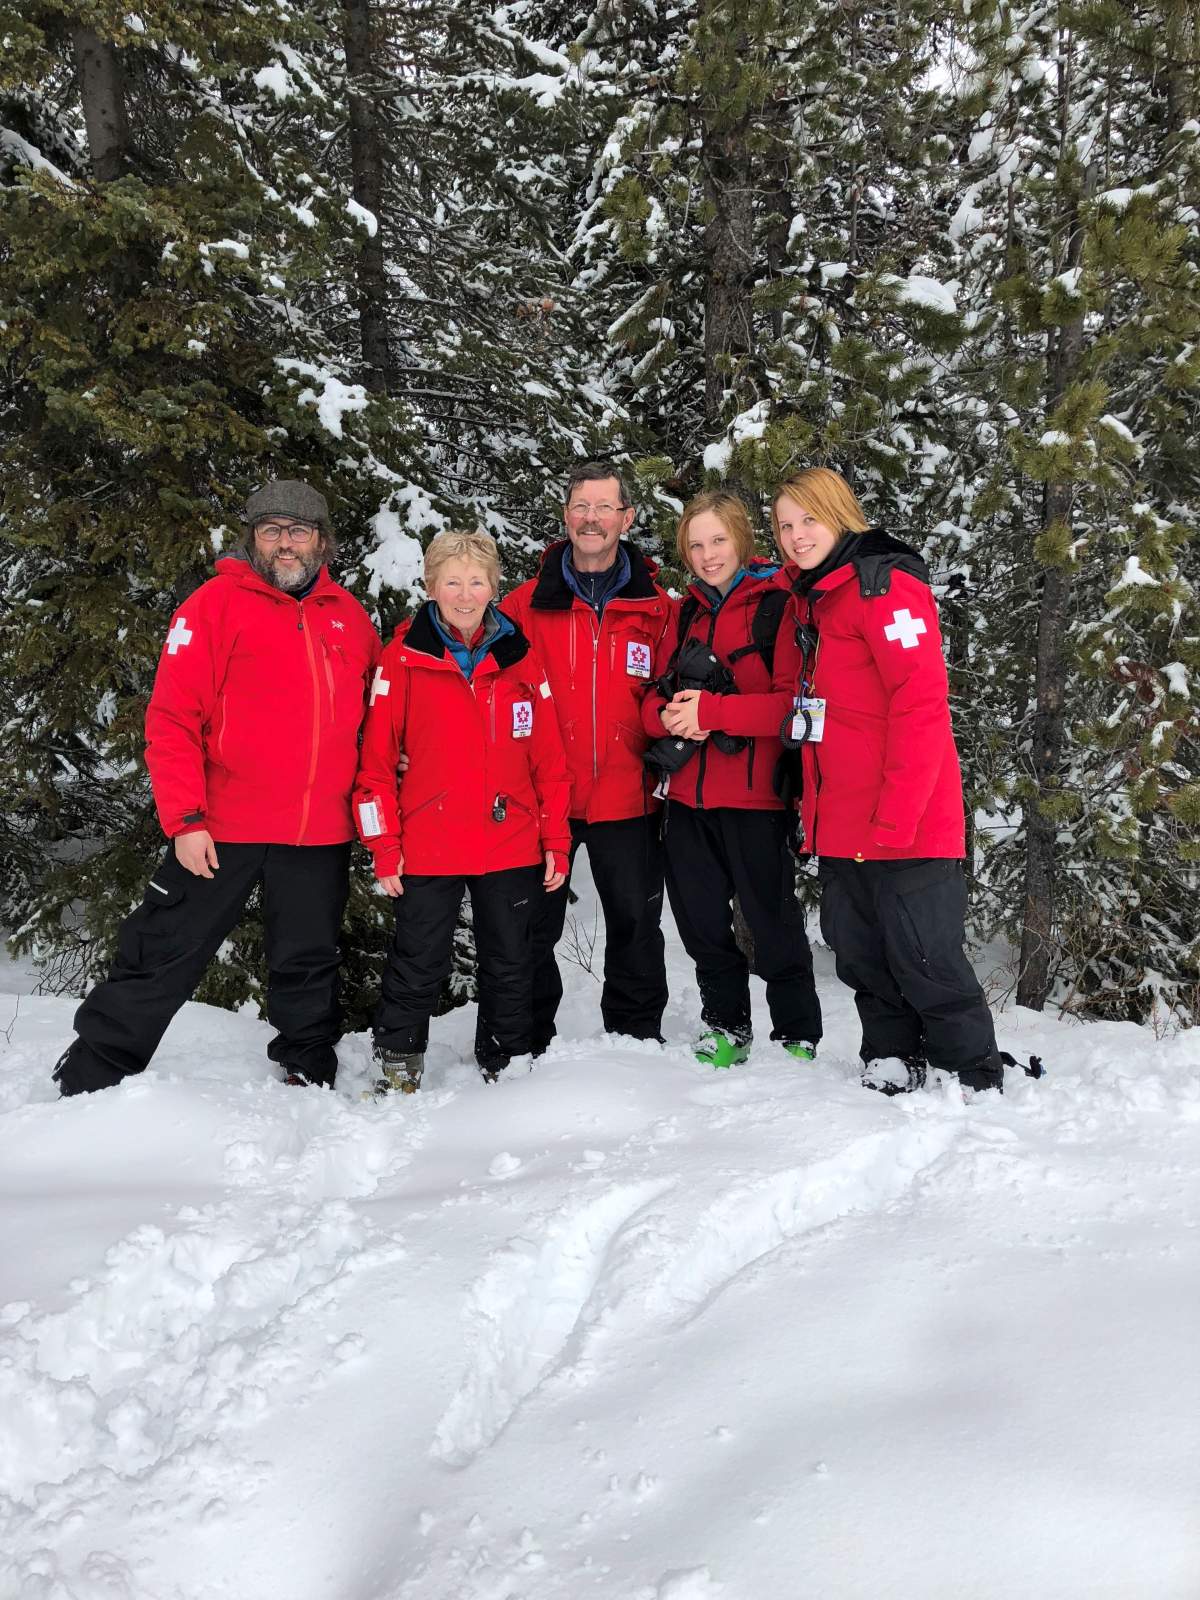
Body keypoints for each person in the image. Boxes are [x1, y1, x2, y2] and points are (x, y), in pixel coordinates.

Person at [52, 479, 383, 1096]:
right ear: (252, 539)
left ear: (322, 542)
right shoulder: (214, 605)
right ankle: (95, 1072)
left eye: (299, 532)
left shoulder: (350, 619)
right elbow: (172, 719)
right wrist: (185, 820)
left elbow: (373, 726)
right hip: (222, 824)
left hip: (317, 831)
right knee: (164, 948)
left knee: (308, 958)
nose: (286, 545)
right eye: (272, 531)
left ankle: (307, 1068)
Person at [772, 466, 1004, 1095]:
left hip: (906, 821)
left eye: (809, 520)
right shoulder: (814, 598)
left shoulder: (885, 586)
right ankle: (892, 1055)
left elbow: (920, 703)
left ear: (841, 513)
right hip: (841, 820)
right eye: (785, 525)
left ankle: (969, 1071)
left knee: (926, 956)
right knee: (861, 954)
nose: (796, 537)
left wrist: (898, 816)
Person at [353, 530, 571, 1091]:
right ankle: (399, 1061)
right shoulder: (402, 657)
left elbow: (549, 763)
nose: (466, 594)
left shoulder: (521, 659)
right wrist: (383, 846)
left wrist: (556, 840)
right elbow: (375, 768)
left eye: (477, 581)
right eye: (452, 581)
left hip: (510, 839)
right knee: (419, 959)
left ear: (495, 586)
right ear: (431, 586)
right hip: (430, 840)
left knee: (511, 960)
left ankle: (506, 1059)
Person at [640, 490, 823, 1069]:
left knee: (771, 919)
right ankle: (726, 1027)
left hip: (754, 797)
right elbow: (653, 692)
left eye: (717, 540)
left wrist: (711, 713)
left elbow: (791, 705)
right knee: (700, 923)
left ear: (741, 538)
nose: (707, 554)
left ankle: (797, 1032)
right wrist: (665, 717)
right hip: (687, 800)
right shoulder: (684, 611)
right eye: (695, 544)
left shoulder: (777, 603)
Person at [501, 461, 673, 1054]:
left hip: (629, 795)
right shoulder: (524, 606)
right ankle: (525, 1042)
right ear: (566, 516)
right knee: (531, 925)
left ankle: (635, 1039)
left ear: (626, 518)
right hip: (544, 798)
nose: (591, 518)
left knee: (635, 922)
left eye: (604, 507)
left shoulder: (658, 609)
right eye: (580, 506)